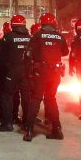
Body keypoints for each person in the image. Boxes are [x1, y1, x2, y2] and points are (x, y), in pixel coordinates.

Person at [22, 13, 69, 141]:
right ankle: (57, 130)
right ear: (54, 23)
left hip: (40, 72)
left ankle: (29, 131)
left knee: (36, 99)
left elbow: (28, 53)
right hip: (54, 73)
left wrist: (28, 70)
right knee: (51, 100)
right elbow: (65, 52)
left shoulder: (37, 35)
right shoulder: (59, 36)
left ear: (42, 23)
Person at [0, 17, 30, 132]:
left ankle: (7, 123)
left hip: (12, 70)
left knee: (7, 95)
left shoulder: (8, 37)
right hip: (26, 71)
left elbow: (0, 55)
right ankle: (27, 122)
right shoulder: (29, 38)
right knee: (26, 97)